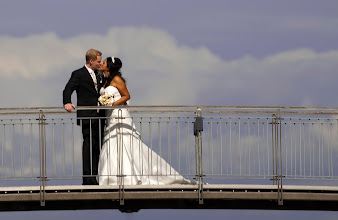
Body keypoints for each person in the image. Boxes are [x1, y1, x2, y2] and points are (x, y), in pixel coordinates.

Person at [98, 56, 191, 185]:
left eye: (103, 63)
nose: (101, 64)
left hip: (119, 114)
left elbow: (127, 95)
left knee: (124, 142)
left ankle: (130, 177)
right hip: (110, 116)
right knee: (112, 143)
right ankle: (113, 177)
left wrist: (112, 103)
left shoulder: (116, 79)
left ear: (109, 67)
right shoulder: (105, 80)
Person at [63, 49, 105, 185]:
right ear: (91, 61)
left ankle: (95, 176)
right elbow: (68, 89)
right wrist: (67, 102)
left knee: (97, 146)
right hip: (87, 115)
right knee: (88, 145)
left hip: (99, 116)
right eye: (98, 61)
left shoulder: (100, 74)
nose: (100, 64)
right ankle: (87, 178)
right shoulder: (78, 74)